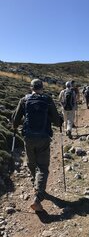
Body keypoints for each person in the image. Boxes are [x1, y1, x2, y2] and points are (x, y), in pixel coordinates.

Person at [12, 79, 63, 212]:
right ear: (42, 88)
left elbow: (15, 119)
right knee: (43, 167)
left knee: (31, 162)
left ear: (31, 88)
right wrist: (59, 122)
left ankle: (36, 183)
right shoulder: (47, 100)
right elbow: (57, 121)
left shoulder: (24, 100)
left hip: (28, 137)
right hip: (43, 137)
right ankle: (38, 195)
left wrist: (15, 126)